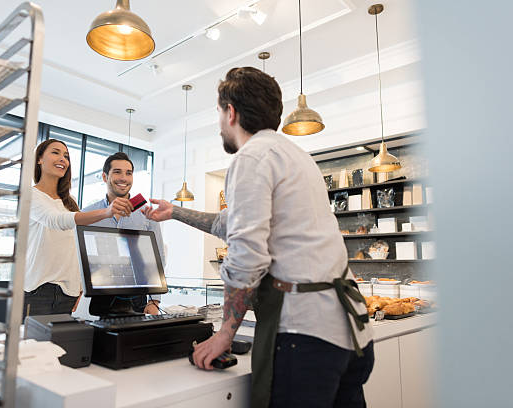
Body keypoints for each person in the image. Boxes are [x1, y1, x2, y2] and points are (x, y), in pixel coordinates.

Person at [143, 67, 374, 408]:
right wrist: (175, 212)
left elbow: (245, 255)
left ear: (231, 111)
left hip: (304, 337)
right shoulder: (296, 156)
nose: (220, 123)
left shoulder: (250, 158)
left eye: (219, 113)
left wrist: (225, 334)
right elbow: (232, 222)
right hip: (351, 336)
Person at [25, 139, 133, 318]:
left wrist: (79, 286)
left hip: (67, 292)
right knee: (33, 345)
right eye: (56, 152)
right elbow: (56, 220)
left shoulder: (70, 201)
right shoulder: (31, 195)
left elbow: (76, 246)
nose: (63, 159)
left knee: (59, 346)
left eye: (66, 156)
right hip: (37, 291)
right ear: (39, 159)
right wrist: (107, 212)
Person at [82, 152, 165, 315]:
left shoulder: (146, 213)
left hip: (137, 295)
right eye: (117, 172)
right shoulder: (88, 213)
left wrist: (154, 300)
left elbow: (158, 257)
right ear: (105, 177)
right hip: (100, 294)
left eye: (129, 173)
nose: (124, 178)